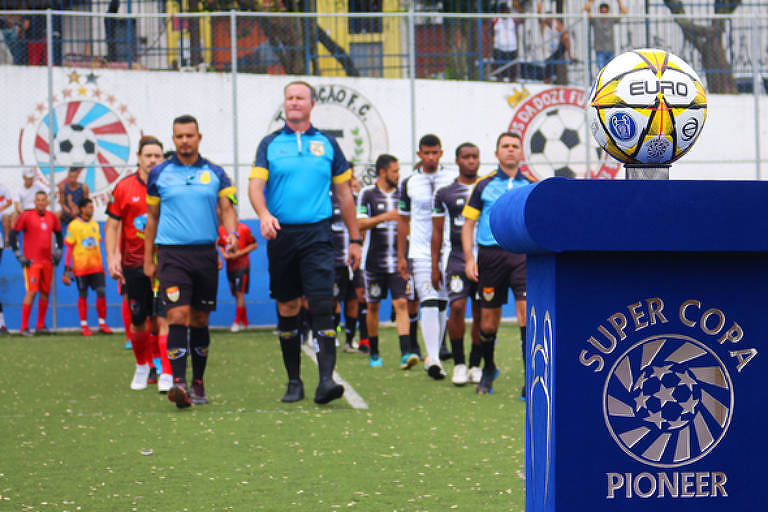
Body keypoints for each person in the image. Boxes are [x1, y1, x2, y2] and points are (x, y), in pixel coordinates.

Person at [249, 80, 362, 405]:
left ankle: (326, 381)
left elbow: (344, 195)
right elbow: (256, 185)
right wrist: (263, 214)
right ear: (285, 105)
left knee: (322, 303)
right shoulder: (269, 144)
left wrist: (355, 239)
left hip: (318, 234)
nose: (294, 102)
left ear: (311, 104)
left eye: (300, 98)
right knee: (287, 307)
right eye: (289, 98)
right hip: (282, 235)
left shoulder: (327, 144)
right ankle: (294, 381)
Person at [144, 115, 238, 409]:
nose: (184, 141)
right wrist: (149, 259)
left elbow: (227, 208)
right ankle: (179, 382)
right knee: (177, 317)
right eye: (179, 136)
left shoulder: (216, 173)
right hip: (172, 255)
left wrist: (231, 234)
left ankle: (198, 383)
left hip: (205, 255)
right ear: (173, 139)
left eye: (189, 135)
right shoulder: (159, 174)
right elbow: (152, 219)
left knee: (199, 320)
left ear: (199, 137)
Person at [462, 132, 534, 396]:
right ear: (497, 153)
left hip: (522, 257)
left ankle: (530, 378)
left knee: (526, 315)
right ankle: (489, 366)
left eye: (515, 146)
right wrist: (469, 258)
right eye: (505, 146)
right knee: (488, 322)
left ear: (521, 152)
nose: (511, 150)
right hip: (490, 257)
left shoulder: (531, 185)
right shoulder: (483, 185)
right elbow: (468, 224)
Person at [105, 135, 172, 393]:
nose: (153, 160)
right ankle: (142, 365)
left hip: (166, 262)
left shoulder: (168, 185)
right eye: (148, 155)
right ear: (139, 157)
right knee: (138, 319)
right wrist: (112, 256)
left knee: (165, 318)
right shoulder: (123, 188)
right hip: (134, 264)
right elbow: (112, 225)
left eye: (158, 156)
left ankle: (166, 371)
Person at [397, 134, 454, 379]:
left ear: (441, 153)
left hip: (448, 249)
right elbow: (402, 220)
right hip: (420, 250)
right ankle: (433, 358)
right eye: (426, 153)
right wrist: (400, 255)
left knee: (442, 301)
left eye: (435, 153)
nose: (430, 157)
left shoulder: (451, 178)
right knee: (428, 298)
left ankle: (434, 355)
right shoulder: (409, 181)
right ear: (419, 154)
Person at [431, 142, 483, 386]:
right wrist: (434, 264)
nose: (471, 161)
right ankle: (459, 363)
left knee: (483, 312)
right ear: (457, 160)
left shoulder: (488, 187)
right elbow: (437, 231)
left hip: (486, 258)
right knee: (458, 308)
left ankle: (475, 363)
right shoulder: (445, 193)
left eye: (475, 157)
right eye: (466, 157)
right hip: (457, 259)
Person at [357, 154, 414, 368]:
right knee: (373, 306)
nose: (398, 175)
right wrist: (384, 217)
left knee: (401, 303)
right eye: (395, 171)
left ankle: (406, 353)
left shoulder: (403, 194)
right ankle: (374, 352)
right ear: (382, 172)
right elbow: (359, 224)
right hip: (373, 262)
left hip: (399, 261)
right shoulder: (367, 194)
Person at [10, 190, 62, 336]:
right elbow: (13, 233)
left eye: (43, 200)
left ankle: (40, 326)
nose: (40, 202)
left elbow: (59, 234)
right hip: (32, 263)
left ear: (47, 202)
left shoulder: (52, 217)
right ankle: (24, 327)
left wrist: (58, 251)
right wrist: (18, 253)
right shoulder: (26, 216)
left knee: (45, 293)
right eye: (38, 199)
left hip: (47, 262)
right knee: (32, 292)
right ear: (34, 202)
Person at [63, 197, 112, 336]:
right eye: (89, 207)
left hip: (96, 267)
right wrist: (67, 270)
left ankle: (102, 323)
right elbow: (69, 249)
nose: (92, 209)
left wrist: (103, 267)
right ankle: (84, 325)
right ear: (82, 209)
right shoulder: (73, 225)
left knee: (101, 291)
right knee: (83, 295)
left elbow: (96, 246)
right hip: (80, 268)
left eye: (92, 207)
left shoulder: (95, 225)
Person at [330, 186, 361, 353]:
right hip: (334, 261)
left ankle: (349, 339)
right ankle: (333, 333)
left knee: (353, 300)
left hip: (353, 261)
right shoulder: (326, 198)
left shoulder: (356, 198)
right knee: (333, 300)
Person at [217, 214, 258, 332]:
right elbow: (220, 245)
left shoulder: (244, 228)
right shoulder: (221, 230)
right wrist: (224, 254)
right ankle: (244, 321)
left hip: (242, 265)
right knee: (235, 294)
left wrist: (240, 253)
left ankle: (236, 322)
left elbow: (254, 244)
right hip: (230, 267)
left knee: (240, 293)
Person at [7, 167, 48, 246]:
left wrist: (42, 182)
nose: (30, 180)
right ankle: (14, 240)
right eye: (28, 178)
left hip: (37, 210)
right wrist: (26, 214)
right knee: (14, 215)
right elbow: (17, 206)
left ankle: (47, 239)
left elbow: (49, 192)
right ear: (24, 178)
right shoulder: (19, 190)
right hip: (24, 211)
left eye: (31, 178)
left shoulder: (37, 185)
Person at [584, 0, 627, 73]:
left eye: (605, 11)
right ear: (599, 11)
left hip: (610, 49)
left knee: (611, 71)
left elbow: (624, 12)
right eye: (602, 11)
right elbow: (586, 11)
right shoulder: (596, 20)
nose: (604, 13)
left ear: (608, 11)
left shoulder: (611, 19)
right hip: (600, 49)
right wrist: (590, 2)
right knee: (601, 71)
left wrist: (619, 1)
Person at [537, 1, 574, 84]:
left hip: (556, 51)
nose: (548, 20)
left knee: (565, 38)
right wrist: (541, 2)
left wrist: (569, 53)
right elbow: (538, 13)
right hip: (547, 53)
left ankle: (570, 56)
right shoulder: (543, 25)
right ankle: (548, 84)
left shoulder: (556, 24)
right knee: (547, 75)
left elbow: (565, 35)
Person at [492, 0, 523, 82]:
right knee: (499, 74)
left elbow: (522, 19)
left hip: (511, 49)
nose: (504, 12)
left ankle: (512, 89)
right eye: (503, 11)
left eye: (506, 11)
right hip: (499, 49)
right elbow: (489, 31)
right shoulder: (496, 20)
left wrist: (517, 6)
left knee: (512, 74)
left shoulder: (512, 19)